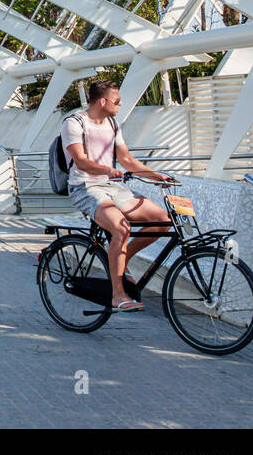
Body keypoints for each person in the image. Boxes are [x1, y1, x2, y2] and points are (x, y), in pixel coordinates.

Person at [61, 79, 175, 313]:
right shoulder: (74, 123)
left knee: (162, 221)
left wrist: (157, 176)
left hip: (113, 187)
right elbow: (81, 162)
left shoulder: (112, 124)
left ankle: (124, 261)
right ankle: (117, 295)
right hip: (85, 187)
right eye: (117, 101)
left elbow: (127, 160)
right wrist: (108, 171)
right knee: (121, 228)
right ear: (102, 101)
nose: (120, 104)